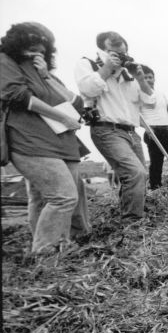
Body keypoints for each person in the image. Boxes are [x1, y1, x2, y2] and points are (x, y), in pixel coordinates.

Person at [1, 22, 91, 255]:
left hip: (63, 142)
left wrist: (46, 77)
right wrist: (62, 116)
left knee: (44, 198)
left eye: (41, 50)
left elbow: (78, 104)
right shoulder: (6, 62)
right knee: (63, 197)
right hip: (30, 140)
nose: (36, 54)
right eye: (31, 49)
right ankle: (44, 254)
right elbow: (19, 97)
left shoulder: (46, 75)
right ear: (17, 46)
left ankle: (61, 245)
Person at [74, 30, 154, 219]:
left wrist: (141, 79)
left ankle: (129, 213)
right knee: (135, 174)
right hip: (106, 129)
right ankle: (132, 223)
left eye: (123, 53)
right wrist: (106, 69)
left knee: (139, 175)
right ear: (103, 51)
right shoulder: (88, 64)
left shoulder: (128, 74)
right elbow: (88, 89)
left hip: (130, 132)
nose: (121, 58)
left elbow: (149, 102)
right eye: (115, 53)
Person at [138, 64, 168, 189]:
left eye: (150, 77)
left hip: (166, 129)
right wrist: (147, 128)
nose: (148, 80)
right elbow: (136, 115)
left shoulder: (160, 94)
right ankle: (155, 186)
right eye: (145, 78)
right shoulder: (139, 94)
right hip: (152, 130)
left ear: (154, 79)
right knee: (156, 161)